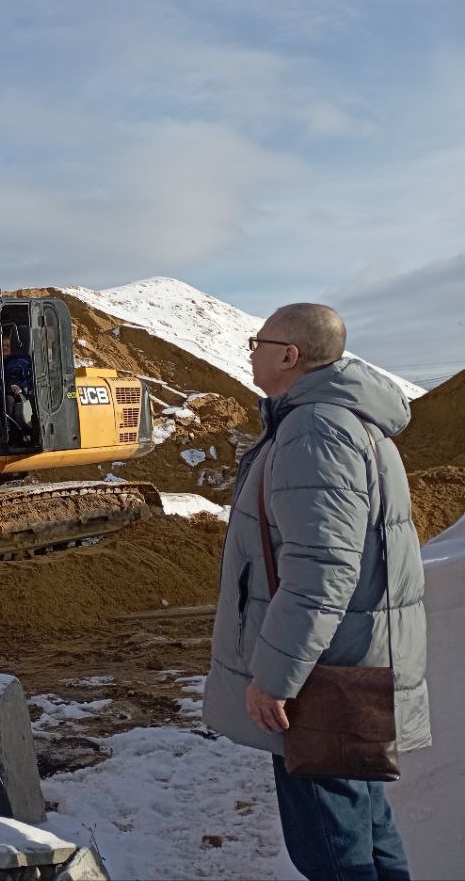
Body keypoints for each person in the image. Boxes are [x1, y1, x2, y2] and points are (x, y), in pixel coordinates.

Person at [204, 303, 429, 881]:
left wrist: (276, 678)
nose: (249, 349)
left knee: (332, 848)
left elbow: (321, 570)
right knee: (365, 828)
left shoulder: (316, 428)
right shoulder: (344, 420)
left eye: (258, 341)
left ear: (289, 354)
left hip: (323, 676)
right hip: (350, 663)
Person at [0, 329, 33, 436]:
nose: (4, 347)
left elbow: (31, 378)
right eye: (2, 345)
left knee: (8, 400)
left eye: (7, 345)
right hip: (3, 390)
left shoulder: (22, 361)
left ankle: (8, 430)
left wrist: (21, 387)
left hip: (18, 394)